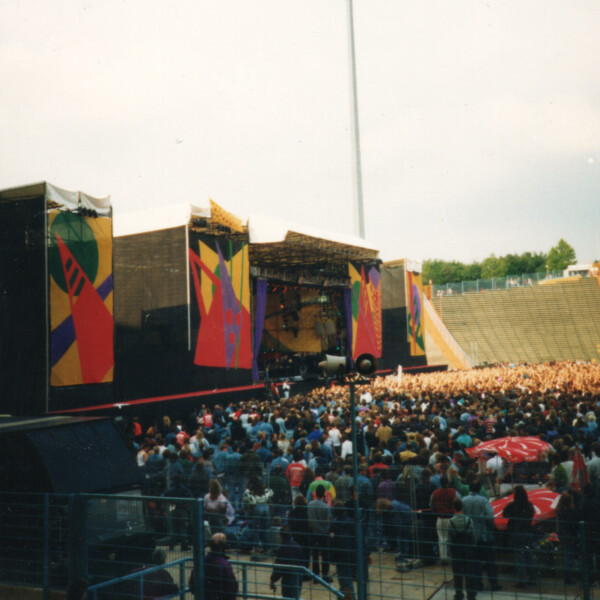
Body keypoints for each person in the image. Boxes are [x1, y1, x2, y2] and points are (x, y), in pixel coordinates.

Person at [462, 480, 501, 591]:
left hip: (470, 535)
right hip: (484, 535)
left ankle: (478, 584)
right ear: (480, 489)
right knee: (490, 561)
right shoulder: (484, 500)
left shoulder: (464, 500)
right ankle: (493, 583)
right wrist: (492, 527)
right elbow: (489, 516)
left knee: (474, 562)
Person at [502, 484, 535, 587]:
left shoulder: (512, 505)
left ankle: (522, 580)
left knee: (519, 556)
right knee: (529, 555)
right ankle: (532, 578)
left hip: (516, 532)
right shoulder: (529, 505)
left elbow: (504, 514)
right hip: (527, 531)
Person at [190, 532, 238, 600]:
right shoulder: (225, 564)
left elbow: (192, 584)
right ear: (224, 546)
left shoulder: (201, 561)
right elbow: (232, 588)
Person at [448, 497, 478, 600]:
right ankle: (471, 594)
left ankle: (459, 594)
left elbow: (449, 538)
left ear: (453, 507)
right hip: (468, 549)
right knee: (470, 573)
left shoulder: (450, 522)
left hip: (456, 550)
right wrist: (473, 546)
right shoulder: (469, 520)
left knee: (457, 574)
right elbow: (473, 535)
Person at [270, 525, 306, 600]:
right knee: (296, 596)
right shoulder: (297, 546)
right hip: (298, 577)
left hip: (288, 579)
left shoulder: (282, 549)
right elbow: (303, 563)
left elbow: (278, 568)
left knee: (288, 597)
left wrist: (272, 580)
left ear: (280, 536)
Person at [430, 475, 459, 564]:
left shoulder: (435, 493)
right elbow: (458, 502)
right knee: (451, 537)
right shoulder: (454, 492)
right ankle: (452, 555)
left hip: (440, 518)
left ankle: (443, 557)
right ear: (448, 482)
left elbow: (431, 505)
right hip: (451, 518)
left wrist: (436, 511)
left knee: (441, 538)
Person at [307, 484, 332, 583]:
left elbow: (309, 520)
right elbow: (327, 521)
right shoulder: (325, 506)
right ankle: (325, 575)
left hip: (314, 532)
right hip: (324, 533)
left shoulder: (310, 505)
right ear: (324, 494)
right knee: (325, 555)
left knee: (315, 555)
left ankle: (315, 576)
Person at [242, 474, 273, 554]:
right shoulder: (263, 489)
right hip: (265, 507)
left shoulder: (249, 491)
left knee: (256, 529)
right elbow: (271, 492)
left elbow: (246, 500)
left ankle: (256, 548)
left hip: (257, 507)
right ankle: (266, 548)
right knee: (265, 529)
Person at [555, 491, 579, 584]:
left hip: (562, 534)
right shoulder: (571, 512)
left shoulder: (559, 511)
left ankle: (567, 576)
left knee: (567, 555)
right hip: (570, 535)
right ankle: (567, 578)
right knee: (569, 556)